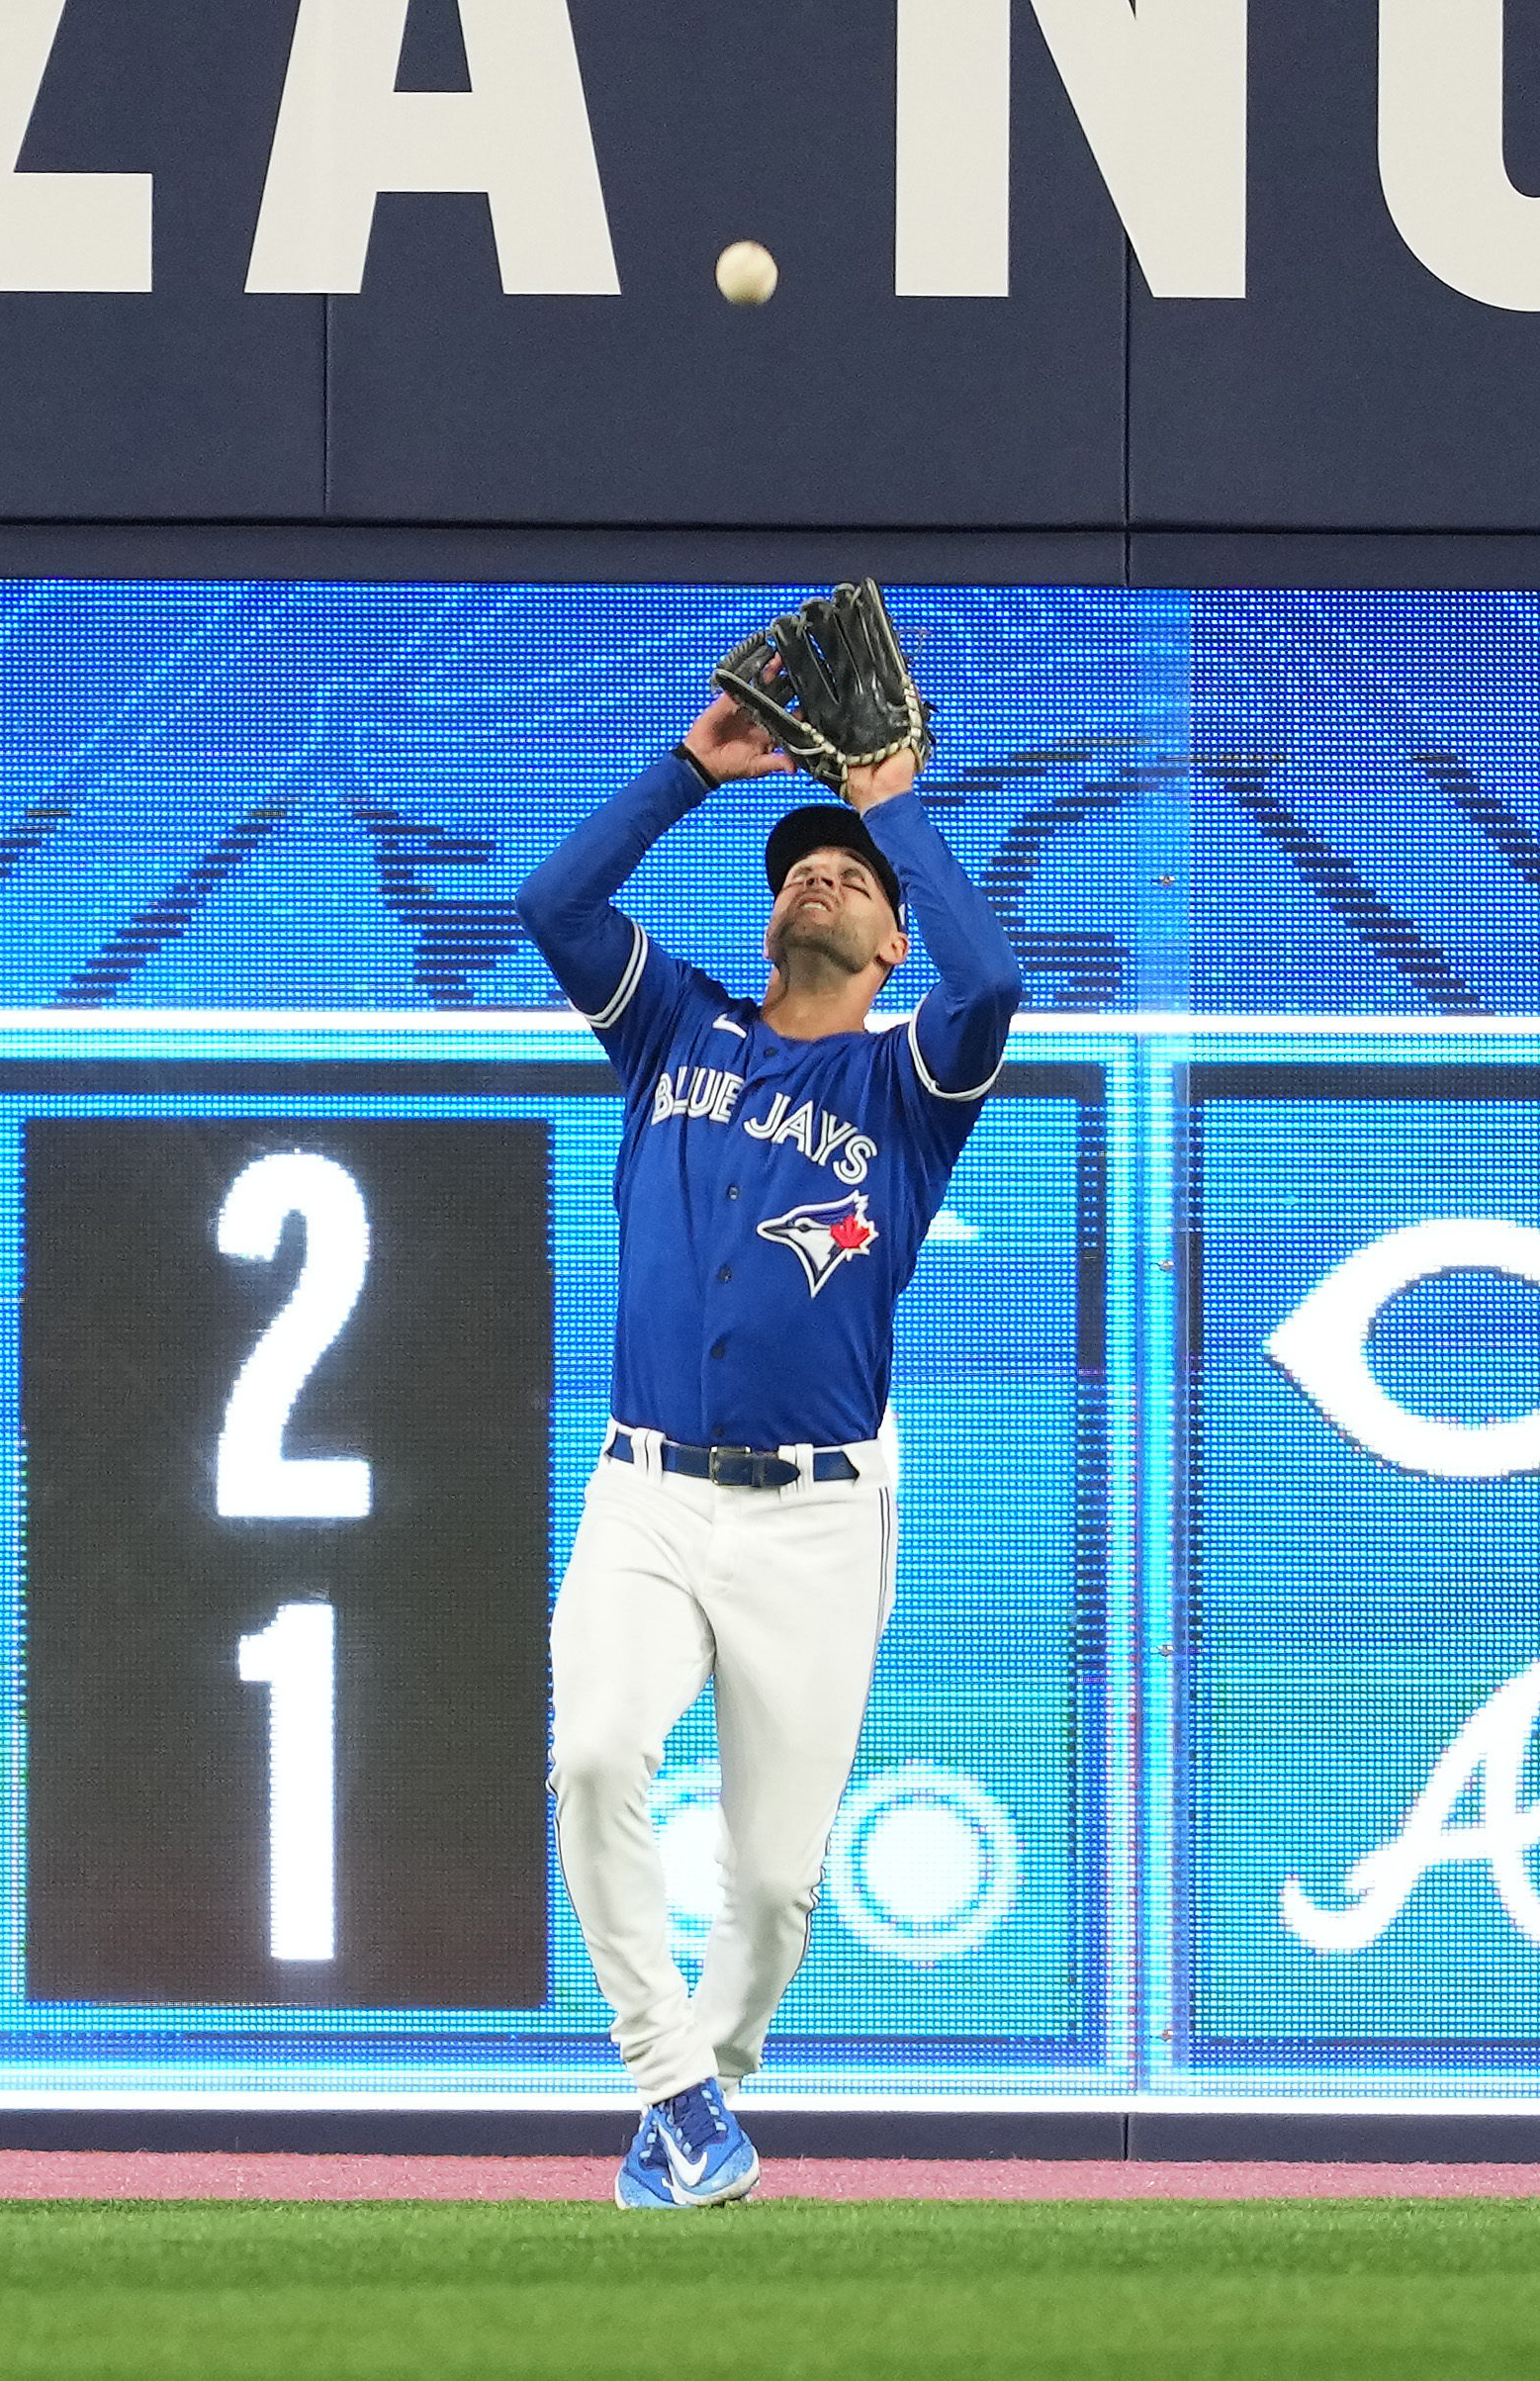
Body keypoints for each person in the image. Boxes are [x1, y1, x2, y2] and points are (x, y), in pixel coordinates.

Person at [513, 668, 1023, 2210]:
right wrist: (691, 770)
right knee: (597, 1756)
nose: (825, 875)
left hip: (817, 1515)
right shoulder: (681, 1029)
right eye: (804, 865)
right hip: (648, 1489)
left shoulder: (906, 1082)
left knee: (778, 1888)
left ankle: (703, 2094)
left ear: (887, 944)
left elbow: (989, 983)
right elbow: (553, 901)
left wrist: (891, 811)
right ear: (766, 925)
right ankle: (670, 2089)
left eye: (854, 881)